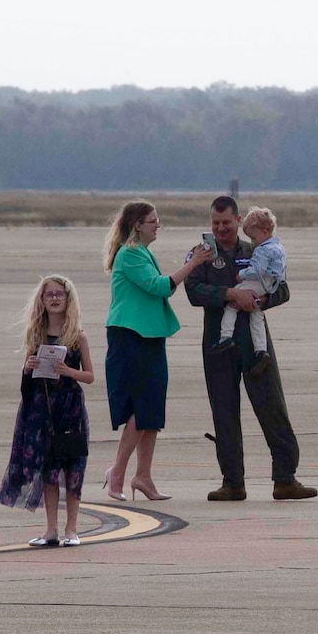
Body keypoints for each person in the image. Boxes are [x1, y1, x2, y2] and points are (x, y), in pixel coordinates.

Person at [186, 194, 316, 502]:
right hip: (220, 343)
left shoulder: (258, 249)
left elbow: (282, 288)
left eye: (226, 223)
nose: (221, 229)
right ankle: (233, 483)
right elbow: (193, 291)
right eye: (215, 223)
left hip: (255, 343)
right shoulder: (201, 254)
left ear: (238, 221)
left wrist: (262, 300)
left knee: (272, 407)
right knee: (225, 413)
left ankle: (285, 479)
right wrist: (229, 293)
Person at [101, 200, 207, 502]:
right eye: (152, 221)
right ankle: (118, 473)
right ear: (137, 225)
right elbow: (159, 287)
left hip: (150, 336)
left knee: (152, 412)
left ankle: (143, 476)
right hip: (131, 336)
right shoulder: (131, 254)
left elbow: (164, 287)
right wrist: (192, 264)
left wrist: (188, 265)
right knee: (138, 410)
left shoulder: (143, 253)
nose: (157, 225)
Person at [0, 274, 95, 546]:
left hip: (70, 409)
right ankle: (51, 529)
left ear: (68, 300)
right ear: (41, 300)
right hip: (42, 409)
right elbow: (27, 377)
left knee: (73, 470)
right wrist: (27, 367)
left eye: (59, 294)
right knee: (49, 472)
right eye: (48, 294)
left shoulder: (77, 337)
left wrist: (68, 371)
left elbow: (90, 376)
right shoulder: (36, 335)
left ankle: (72, 529)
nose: (54, 298)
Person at [213, 205, 285, 368]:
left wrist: (242, 274)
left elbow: (257, 270)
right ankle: (261, 350)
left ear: (264, 232)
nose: (253, 242)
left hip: (259, 282)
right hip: (270, 285)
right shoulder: (279, 247)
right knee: (256, 313)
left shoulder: (262, 250)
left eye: (253, 238)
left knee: (232, 306)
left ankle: (225, 337)